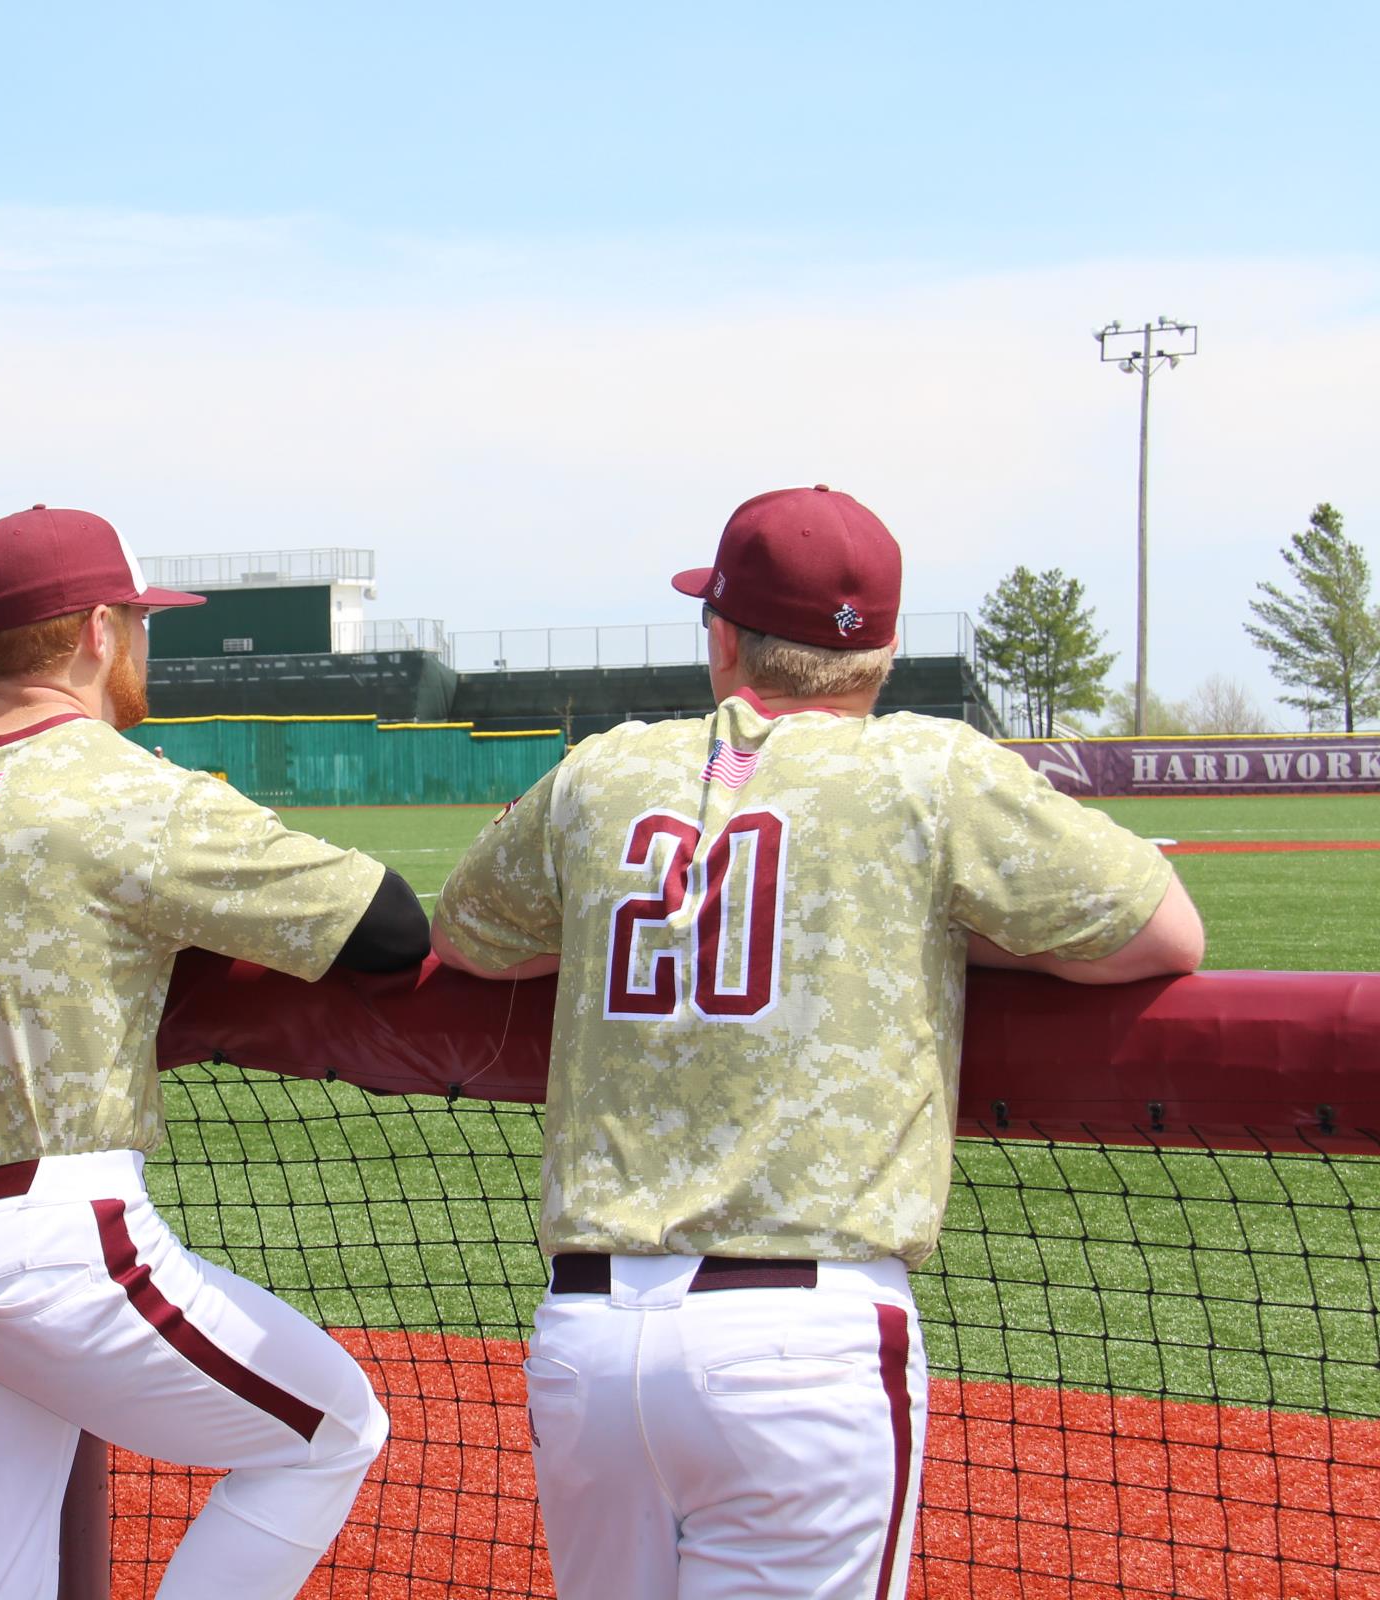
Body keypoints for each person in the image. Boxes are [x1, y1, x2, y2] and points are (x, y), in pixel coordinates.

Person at [431, 484, 1203, 1600]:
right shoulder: (930, 769)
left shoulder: (603, 770)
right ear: (882, 653)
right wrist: (933, 941)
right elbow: (1165, 932)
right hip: (808, 1350)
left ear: (724, 635)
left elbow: (466, 936)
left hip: (592, 1344)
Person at [0, 505, 429, 1597]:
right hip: (48, 1248)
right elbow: (391, 930)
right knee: (333, 1429)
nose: (146, 640)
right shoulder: (131, 788)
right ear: (98, 630)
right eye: (138, 621)